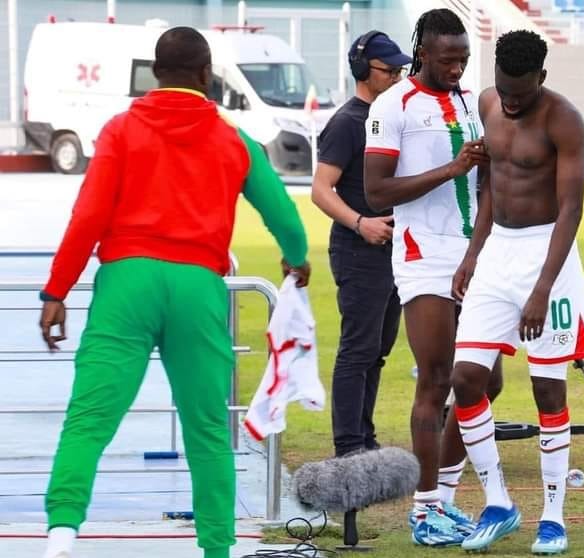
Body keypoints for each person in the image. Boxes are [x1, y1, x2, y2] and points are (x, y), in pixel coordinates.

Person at [37, 27, 310, 558]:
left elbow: (88, 214)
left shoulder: (119, 130)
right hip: (197, 286)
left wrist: (57, 289)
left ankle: (62, 532)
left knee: (89, 418)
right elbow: (282, 212)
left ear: (154, 73)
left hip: (126, 283)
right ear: (207, 75)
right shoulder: (232, 139)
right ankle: (216, 549)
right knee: (207, 428)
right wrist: (296, 260)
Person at [450, 30, 584, 555]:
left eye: (520, 92)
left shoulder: (563, 119)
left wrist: (542, 289)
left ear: (542, 78)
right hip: (497, 255)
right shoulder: (490, 102)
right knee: (466, 377)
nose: (509, 100)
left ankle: (553, 517)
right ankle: (499, 503)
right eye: (503, 89)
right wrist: (472, 254)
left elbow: (571, 209)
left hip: (546, 256)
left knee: (547, 390)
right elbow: (492, 188)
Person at [363, 8, 501, 547]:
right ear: (422, 52)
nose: (457, 68)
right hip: (424, 254)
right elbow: (376, 191)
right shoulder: (392, 104)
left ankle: (442, 499)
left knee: (485, 380)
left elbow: (484, 172)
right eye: (448, 59)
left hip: (476, 254)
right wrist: (452, 169)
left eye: (463, 59)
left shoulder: (471, 102)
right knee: (437, 376)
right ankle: (424, 512)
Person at [311, 31, 411, 457]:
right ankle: (349, 444)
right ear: (362, 71)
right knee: (358, 350)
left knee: (378, 352)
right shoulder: (348, 122)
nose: (396, 77)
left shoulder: (388, 117)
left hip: (393, 252)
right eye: (388, 70)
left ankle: (364, 438)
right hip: (360, 251)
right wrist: (360, 224)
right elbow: (320, 189)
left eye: (399, 70)